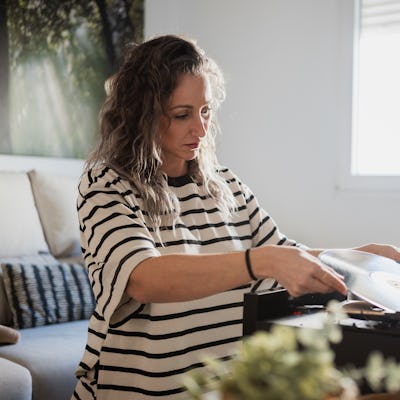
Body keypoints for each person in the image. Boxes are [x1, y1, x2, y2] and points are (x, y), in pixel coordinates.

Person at [72, 34, 400, 400]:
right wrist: (260, 262)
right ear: (141, 115)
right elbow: (142, 278)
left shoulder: (225, 184)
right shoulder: (106, 184)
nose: (200, 128)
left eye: (206, 110)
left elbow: (285, 256)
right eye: (182, 115)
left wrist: (356, 258)